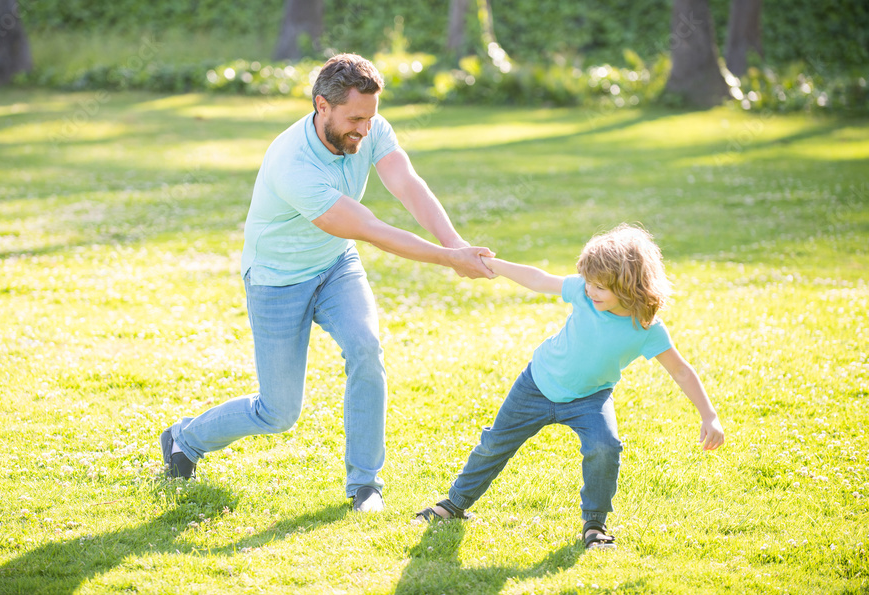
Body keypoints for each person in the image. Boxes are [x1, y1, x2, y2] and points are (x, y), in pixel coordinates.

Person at [160, 53, 495, 512]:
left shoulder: (370, 126)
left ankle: (365, 485)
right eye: (355, 119)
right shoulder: (293, 163)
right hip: (277, 280)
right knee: (277, 413)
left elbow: (408, 185)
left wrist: (456, 244)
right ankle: (184, 437)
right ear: (322, 105)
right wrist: (448, 260)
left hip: (335, 266)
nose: (365, 128)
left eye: (371, 117)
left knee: (365, 347)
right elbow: (371, 228)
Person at [414, 224, 724, 549]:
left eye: (601, 287)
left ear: (630, 285)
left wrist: (709, 415)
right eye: (589, 282)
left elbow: (681, 371)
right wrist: (493, 264)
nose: (591, 291)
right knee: (494, 444)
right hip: (537, 383)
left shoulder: (645, 328)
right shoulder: (582, 293)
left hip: (590, 398)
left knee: (605, 448)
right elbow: (537, 279)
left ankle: (595, 525)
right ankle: (453, 505)